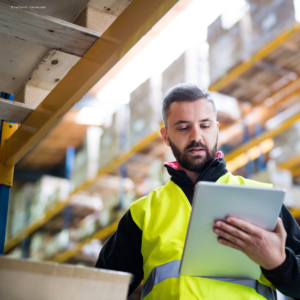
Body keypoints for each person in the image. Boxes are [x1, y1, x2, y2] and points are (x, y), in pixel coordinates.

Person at [96, 83, 300, 300]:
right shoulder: (143, 214)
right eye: (183, 127)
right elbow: (97, 290)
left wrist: (279, 263)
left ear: (217, 128)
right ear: (165, 136)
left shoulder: (262, 200)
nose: (196, 137)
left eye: (205, 125)